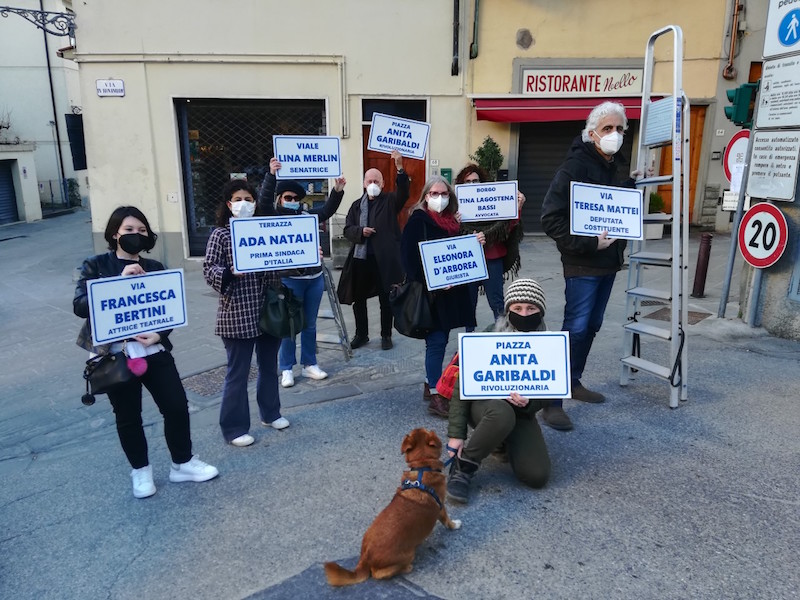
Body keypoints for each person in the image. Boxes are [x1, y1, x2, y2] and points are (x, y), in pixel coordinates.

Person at [74, 206, 219, 499]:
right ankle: (140, 470)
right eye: (129, 230)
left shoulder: (154, 266)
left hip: (153, 350)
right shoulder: (95, 265)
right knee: (128, 415)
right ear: (115, 234)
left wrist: (160, 334)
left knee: (176, 406)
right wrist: (118, 281)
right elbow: (80, 306)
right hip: (115, 355)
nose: (135, 235)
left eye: (141, 230)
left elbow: (168, 310)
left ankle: (183, 463)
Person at [540, 100, 636, 431]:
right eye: (607, 128)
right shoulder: (573, 168)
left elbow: (615, 208)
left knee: (592, 325)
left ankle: (573, 380)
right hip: (582, 263)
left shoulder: (616, 166)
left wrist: (632, 187)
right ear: (591, 133)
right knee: (575, 328)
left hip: (609, 263)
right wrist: (588, 243)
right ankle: (552, 402)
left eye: (620, 128)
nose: (614, 134)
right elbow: (550, 218)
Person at [446, 278, 552, 504]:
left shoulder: (549, 342)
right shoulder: (489, 335)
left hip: (521, 411)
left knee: (537, 475)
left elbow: (551, 390)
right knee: (501, 413)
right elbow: (460, 388)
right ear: (508, 310)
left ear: (540, 311)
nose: (524, 314)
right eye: (517, 308)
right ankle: (464, 466)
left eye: (531, 308)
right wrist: (456, 435)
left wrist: (530, 403)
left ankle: (500, 440)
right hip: (485, 406)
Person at [203, 178, 288, 448]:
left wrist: (307, 256)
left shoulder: (265, 229)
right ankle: (234, 428)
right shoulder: (221, 235)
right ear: (229, 205)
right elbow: (209, 269)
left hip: (268, 310)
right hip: (237, 312)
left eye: (248, 200)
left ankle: (271, 413)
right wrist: (229, 273)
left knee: (269, 366)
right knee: (238, 373)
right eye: (238, 200)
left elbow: (283, 259)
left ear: (255, 203)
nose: (244, 204)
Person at [400, 175, 485, 418]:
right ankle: (437, 395)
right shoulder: (418, 222)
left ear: (450, 196)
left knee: (442, 339)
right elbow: (408, 261)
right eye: (434, 194)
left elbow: (458, 253)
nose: (439, 198)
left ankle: (430, 383)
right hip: (432, 295)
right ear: (425, 197)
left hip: (451, 294)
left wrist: (475, 243)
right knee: (436, 342)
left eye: (444, 194)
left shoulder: (452, 222)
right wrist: (433, 282)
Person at [258, 157, 346, 388]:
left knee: (310, 324)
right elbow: (263, 204)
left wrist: (337, 190)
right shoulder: (273, 217)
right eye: (288, 198)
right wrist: (271, 175)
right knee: (289, 325)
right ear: (280, 199)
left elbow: (327, 210)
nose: (293, 201)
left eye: (296, 198)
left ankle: (309, 363)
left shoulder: (307, 216)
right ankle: (286, 367)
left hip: (314, 279)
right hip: (290, 280)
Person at [337, 150, 408, 351]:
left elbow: (404, 192)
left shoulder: (390, 201)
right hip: (361, 259)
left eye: (377, 181)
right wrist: (361, 231)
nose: (373, 184)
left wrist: (400, 168)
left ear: (383, 184)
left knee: (386, 298)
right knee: (358, 299)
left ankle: (386, 335)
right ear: (364, 184)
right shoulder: (356, 206)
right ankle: (361, 334)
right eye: (370, 181)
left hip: (384, 260)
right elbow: (347, 229)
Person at [455, 164, 526, 328]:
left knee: (496, 301)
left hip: (492, 257)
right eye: (468, 181)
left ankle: (502, 331)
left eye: (475, 181)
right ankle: (468, 335)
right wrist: (455, 223)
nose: (472, 184)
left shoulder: (495, 201)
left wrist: (517, 208)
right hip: (469, 259)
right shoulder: (456, 205)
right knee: (468, 301)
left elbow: (507, 226)